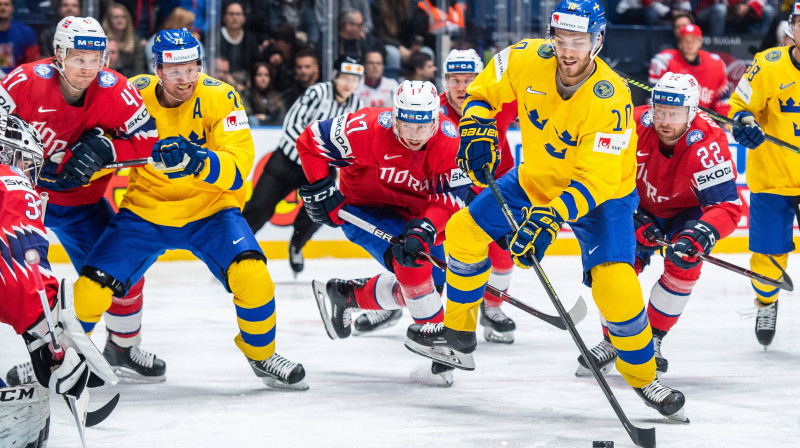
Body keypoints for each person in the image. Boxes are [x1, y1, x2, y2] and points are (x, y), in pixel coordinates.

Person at [404, 0, 688, 421]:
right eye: (562, 39)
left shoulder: (611, 98)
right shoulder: (525, 56)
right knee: (464, 233)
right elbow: (483, 91)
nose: (568, 50)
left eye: (579, 40)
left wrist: (551, 217)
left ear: (598, 40)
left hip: (602, 196)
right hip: (534, 178)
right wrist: (478, 129)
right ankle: (459, 333)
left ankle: (644, 377)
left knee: (616, 286)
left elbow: (596, 178)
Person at [71, 28, 308, 390]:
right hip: (144, 211)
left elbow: (238, 166)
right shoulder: (131, 92)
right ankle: (59, 360)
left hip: (210, 212)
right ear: (158, 70)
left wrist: (199, 161)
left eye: (192, 68)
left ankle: (261, 355)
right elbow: (98, 135)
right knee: (90, 289)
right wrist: (99, 147)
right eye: (175, 71)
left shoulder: (221, 95)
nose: (186, 79)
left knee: (253, 277)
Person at [1, 16, 165, 385]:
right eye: (78, 58)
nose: (88, 68)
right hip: (23, 201)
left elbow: (148, 143)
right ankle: (45, 353)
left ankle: (121, 348)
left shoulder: (117, 91)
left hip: (81, 206)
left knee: (124, 270)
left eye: (96, 58)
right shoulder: (24, 81)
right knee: (21, 282)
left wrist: (109, 147)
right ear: (58, 54)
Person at [298, 79, 470, 386]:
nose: (414, 136)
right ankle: (434, 340)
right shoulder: (364, 127)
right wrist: (321, 189)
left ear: (435, 120)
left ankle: (345, 295)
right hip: (366, 208)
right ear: (395, 118)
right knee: (413, 265)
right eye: (407, 126)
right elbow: (311, 140)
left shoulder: (450, 140)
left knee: (433, 285)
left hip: (415, 214)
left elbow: (449, 199)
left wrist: (426, 227)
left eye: (422, 126)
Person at [578, 72, 742, 377]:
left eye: (675, 114)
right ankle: (614, 339)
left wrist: (700, 235)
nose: (665, 120)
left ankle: (652, 338)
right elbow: (602, 177)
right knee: (614, 268)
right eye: (660, 111)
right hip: (634, 205)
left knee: (685, 266)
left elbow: (727, 207)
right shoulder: (631, 125)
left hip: (685, 212)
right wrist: (634, 217)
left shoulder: (708, 142)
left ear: (692, 112)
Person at [0, 112, 117, 446]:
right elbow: (19, 261)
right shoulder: (8, 177)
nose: (28, 175)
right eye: (26, 163)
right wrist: (43, 329)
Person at [242, 55, 364, 276]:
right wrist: (316, 152)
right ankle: (236, 250)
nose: (349, 84)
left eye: (354, 79)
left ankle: (297, 244)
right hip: (286, 162)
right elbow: (291, 123)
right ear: (335, 77)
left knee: (323, 210)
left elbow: (351, 141)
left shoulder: (357, 105)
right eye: (345, 77)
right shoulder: (317, 93)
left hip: (319, 169)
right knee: (259, 209)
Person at [727, 0, 800, 350]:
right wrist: (745, 125)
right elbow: (740, 109)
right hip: (773, 176)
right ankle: (767, 303)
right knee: (768, 263)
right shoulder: (767, 65)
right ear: (791, 28)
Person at [438, 48, 519, 344]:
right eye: (455, 79)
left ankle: (492, 306)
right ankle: (429, 307)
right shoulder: (432, 112)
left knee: (504, 254)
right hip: (450, 192)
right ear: (445, 82)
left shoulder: (498, 102)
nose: (461, 87)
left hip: (497, 187)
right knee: (437, 256)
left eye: (469, 79)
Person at [649, 23, 730, 117]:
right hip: (671, 119)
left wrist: (725, 120)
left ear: (700, 42)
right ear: (680, 42)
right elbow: (653, 98)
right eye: (685, 40)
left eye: (694, 40)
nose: (689, 43)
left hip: (703, 122)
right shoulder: (663, 61)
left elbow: (722, 99)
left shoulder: (716, 63)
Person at [101, 2, 146, 77]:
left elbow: (139, 68)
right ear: (109, 20)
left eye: (123, 17)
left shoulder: (135, 39)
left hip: (130, 77)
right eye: (116, 17)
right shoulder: (103, 38)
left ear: (128, 19)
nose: (120, 20)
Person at [0, 0, 39, 74]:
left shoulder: (26, 32)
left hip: (18, 79)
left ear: (12, 8)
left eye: (6, 4)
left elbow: (32, 62)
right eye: (0, 4)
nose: (2, 7)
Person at [243, 62, 286, 126]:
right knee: (252, 119)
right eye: (259, 75)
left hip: (273, 127)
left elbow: (281, 113)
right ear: (253, 77)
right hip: (253, 129)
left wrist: (266, 118)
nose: (263, 78)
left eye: (266, 75)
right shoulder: (247, 94)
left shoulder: (275, 95)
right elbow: (246, 114)